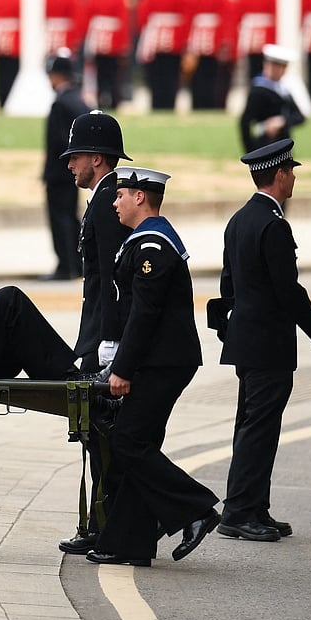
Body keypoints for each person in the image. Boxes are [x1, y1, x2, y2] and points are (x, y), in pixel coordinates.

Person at [84, 167, 220, 567]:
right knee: (137, 446)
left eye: (121, 194)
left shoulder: (152, 246)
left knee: (128, 443)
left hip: (164, 362)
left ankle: (196, 508)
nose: (114, 201)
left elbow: (145, 314)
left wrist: (121, 369)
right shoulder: (144, 241)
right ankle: (129, 543)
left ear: (140, 197)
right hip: (158, 360)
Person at [213, 138, 311, 542]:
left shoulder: (239, 220)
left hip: (246, 344)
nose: (294, 178)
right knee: (259, 430)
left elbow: (227, 284)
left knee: (251, 426)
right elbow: (289, 292)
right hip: (269, 346)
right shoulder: (273, 225)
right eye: (292, 172)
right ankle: (238, 512)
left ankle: (254, 507)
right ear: (280, 175)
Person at [58, 110, 132, 555]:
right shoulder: (104, 197)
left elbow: (110, 280)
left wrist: (108, 343)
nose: (69, 165)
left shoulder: (109, 202)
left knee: (103, 436)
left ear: (98, 160)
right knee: (93, 436)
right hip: (97, 334)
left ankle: (107, 525)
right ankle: (99, 523)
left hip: (103, 338)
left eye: (76, 156)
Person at [41, 52, 90, 281]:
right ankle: (77, 263)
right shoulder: (79, 101)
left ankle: (66, 265)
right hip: (72, 173)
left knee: (60, 219)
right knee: (70, 217)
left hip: (60, 174)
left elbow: (59, 143)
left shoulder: (61, 104)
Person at [184, 0, 236, 111]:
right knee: (216, 85)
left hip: (196, 46)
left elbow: (187, 21)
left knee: (198, 86)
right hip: (216, 45)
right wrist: (227, 44)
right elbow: (228, 21)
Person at [136, 0, 189, 111]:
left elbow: (142, 20)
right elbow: (185, 22)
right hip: (173, 45)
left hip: (153, 43)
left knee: (156, 84)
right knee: (171, 83)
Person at [79, 0, 131, 110]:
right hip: (114, 44)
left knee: (100, 78)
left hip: (96, 43)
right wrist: (124, 46)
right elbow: (123, 23)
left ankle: (101, 103)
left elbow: (85, 23)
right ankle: (114, 103)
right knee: (114, 77)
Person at [238, 43, 304, 154]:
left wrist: (282, 121)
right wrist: (250, 151)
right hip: (264, 144)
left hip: (284, 144)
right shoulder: (258, 90)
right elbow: (245, 122)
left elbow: (299, 116)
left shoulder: (283, 90)